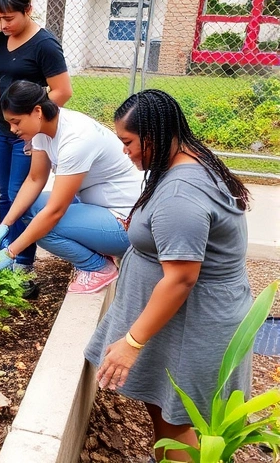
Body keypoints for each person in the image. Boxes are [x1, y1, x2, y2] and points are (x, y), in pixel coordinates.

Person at [85, 90, 252, 463]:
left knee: (177, 417)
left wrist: (132, 342)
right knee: (164, 404)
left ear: (154, 136)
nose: (124, 151)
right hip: (182, 320)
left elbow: (180, 279)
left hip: (194, 323)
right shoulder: (185, 162)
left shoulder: (181, 192)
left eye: (127, 142)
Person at [0, 81, 142, 295]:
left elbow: (55, 212)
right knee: (31, 208)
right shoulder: (43, 130)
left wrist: (10, 253)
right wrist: (6, 225)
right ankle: (98, 252)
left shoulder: (75, 139)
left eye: (16, 121)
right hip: (100, 208)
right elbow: (35, 179)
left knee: (44, 225)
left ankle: (99, 268)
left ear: (37, 111)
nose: (13, 129)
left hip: (127, 223)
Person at [0, 0, 73, 286]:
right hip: (3, 133)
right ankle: (6, 250)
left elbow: (63, 91)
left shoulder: (45, 45)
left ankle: (23, 264)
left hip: (28, 137)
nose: (3, 25)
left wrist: (32, 125)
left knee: (21, 195)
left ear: (28, 10)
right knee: (6, 195)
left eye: (9, 18)